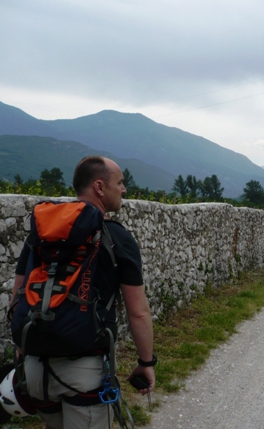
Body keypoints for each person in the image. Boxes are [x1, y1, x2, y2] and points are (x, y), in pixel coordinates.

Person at [10, 156, 156, 429]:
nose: (124, 189)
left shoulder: (43, 232)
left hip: (35, 367)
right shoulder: (116, 236)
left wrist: (22, 345)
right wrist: (146, 361)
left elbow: (19, 295)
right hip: (84, 371)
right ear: (99, 187)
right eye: (120, 183)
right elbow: (138, 312)